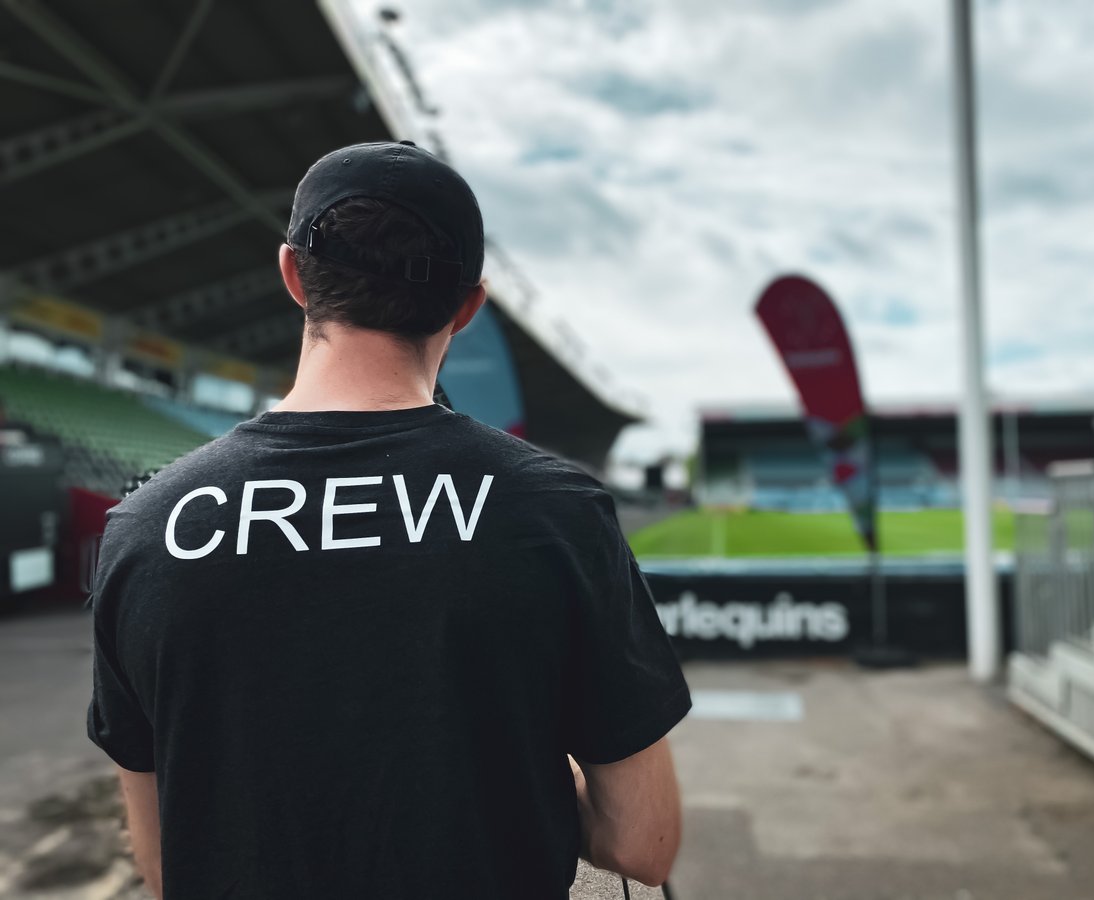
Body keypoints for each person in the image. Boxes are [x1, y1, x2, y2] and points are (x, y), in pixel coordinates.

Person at [87, 141, 690, 899]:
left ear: (294, 276)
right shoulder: (555, 512)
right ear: (468, 306)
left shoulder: (144, 529)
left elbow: (167, 864)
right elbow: (645, 843)